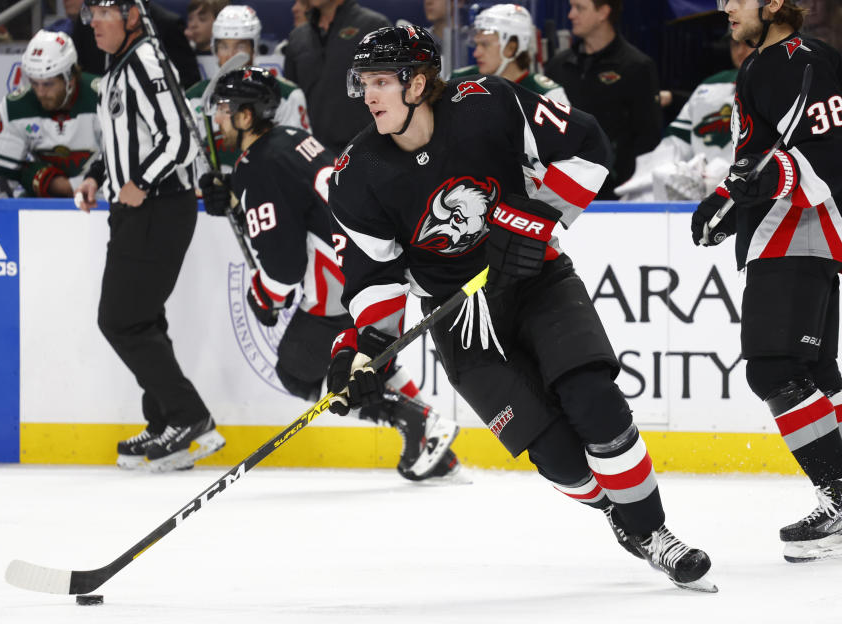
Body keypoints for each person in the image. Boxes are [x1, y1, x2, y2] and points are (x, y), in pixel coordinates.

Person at [328, 25, 717, 591]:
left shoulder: (490, 103)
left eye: (382, 81)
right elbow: (375, 278)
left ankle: (655, 533)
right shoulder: (357, 175)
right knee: (558, 454)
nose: (369, 95)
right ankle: (617, 514)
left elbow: (590, 145)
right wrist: (364, 351)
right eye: (364, 82)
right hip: (460, 321)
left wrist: (540, 220)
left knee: (593, 397)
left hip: (537, 281)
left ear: (419, 82)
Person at [202, 66, 461, 481]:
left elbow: (284, 270)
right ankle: (437, 452)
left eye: (225, 109)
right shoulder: (289, 138)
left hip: (339, 276)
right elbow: (297, 199)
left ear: (246, 116)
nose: (217, 118)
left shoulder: (256, 165)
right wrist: (235, 198)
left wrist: (264, 295)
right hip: (368, 255)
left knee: (297, 368)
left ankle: (415, 420)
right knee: (367, 356)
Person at [692, 0, 842, 563]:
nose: (724, 6)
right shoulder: (765, 63)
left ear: (774, 2)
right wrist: (728, 204)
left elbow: (826, 155)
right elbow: (761, 161)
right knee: (813, 371)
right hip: (784, 230)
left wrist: (752, 187)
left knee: (776, 367)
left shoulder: (804, 61)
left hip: (800, 228)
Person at [74, 0, 224, 472]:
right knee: (142, 318)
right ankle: (164, 422)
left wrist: (141, 183)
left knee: (121, 320)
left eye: (103, 15)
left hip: (159, 206)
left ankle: (190, 418)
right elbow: (123, 136)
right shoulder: (120, 63)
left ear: (131, 17)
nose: (94, 24)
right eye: (90, 16)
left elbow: (179, 137)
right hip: (139, 207)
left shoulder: (147, 60)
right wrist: (98, 172)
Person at [543, 0, 661, 199]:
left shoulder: (637, 67)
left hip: (617, 198)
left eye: (579, 8)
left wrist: (630, 191)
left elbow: (648, 140)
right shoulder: (557, 67)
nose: (571, 15)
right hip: (562, 193)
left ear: (603, 12)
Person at [616, 36, 754, 202]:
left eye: (749, 42)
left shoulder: (787, 87)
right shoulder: (708, 88)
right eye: (735, 43)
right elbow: (673, 146)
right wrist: (654, 179)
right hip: (701, 202)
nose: (740, 51)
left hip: (756, 201)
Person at [0, 30, 102, 202]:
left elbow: (126, 166)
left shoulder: (104, 96)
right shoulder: (15, 107)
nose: (40, 92)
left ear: (70, 79)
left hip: (101, 203)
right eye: (34, 83)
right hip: (44, 207)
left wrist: (62, 186)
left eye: (48, 84)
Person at [187, 5, 311, 173]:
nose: (232, 56)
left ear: (254, 48)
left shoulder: (287, 96)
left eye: (240, 47)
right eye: (224, 46)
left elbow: (298, 159)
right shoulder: (195, 98)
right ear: (214, 48)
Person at [283, 0, 391, 151]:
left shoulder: (373, 27)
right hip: (311, 157)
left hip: (366, 152)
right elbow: (291, 101)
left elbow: (391, 94)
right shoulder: (297, 37)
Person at [450, 4, 569, 105]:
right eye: (476, 45)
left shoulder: (548, 95)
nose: (476, 53)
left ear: (511, 48)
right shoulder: (458, 80)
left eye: (485, 45)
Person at [71, 0, 201, 88]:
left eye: (104, 13)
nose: (94, 23)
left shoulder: (167, 25)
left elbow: (189, 82)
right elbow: (78, 71)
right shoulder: (87, 24)